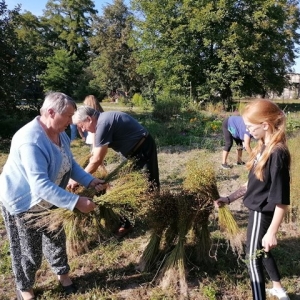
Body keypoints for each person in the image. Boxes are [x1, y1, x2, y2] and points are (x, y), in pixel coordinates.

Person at [0, 92, 106, 300]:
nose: (71, 121)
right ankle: (25, 288)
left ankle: (62, 275)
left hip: (52, 196)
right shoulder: (30, 140)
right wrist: (76, 202)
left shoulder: (60, 133)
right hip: (23, 202)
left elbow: (70, 164)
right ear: (50, 112)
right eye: (68, 116)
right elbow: (39, 185)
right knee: (28, 252)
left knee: (56, 239)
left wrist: (89, 181)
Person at [215, 99, 290, 300]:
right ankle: (278, 288)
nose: (247, 131)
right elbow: (252, 183)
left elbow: (282, 200)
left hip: (261, 213)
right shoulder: (263, 147)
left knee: (251, 257)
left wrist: (272, 232)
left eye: (249, 127)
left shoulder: (277, 153)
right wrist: (229, 198)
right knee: (262, 251)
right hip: (257, 210)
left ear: (265, 125)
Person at [69, 106, 160, 236]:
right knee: (127, 185)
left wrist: (78, 178)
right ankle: (128, 221)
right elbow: (95, 154)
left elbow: (97, 160)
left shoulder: (103, 123)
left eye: (82, 126)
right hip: (131, 151)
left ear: (89, 119)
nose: (82, 130)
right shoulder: (101, 122)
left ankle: (156, 217)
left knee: (149, 184)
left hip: (143, 148)